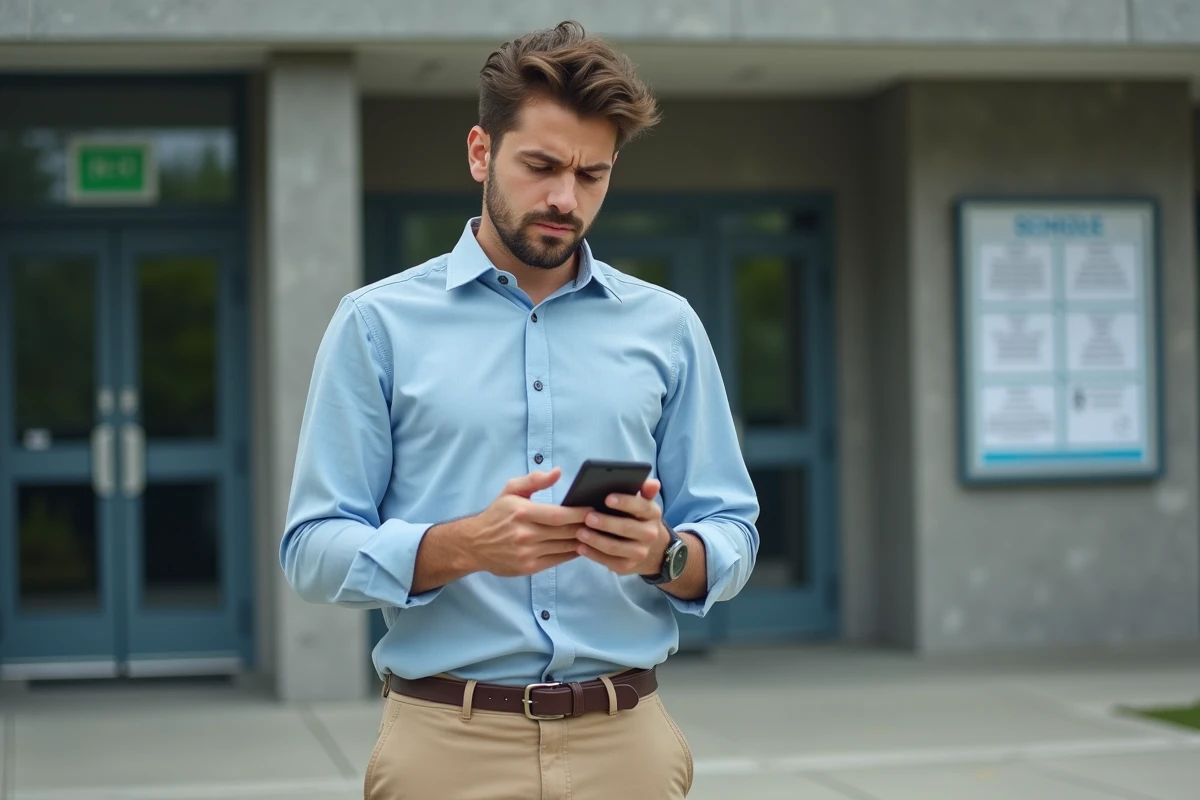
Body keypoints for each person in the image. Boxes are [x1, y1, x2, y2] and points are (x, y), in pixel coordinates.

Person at [281, 20, 760, 799]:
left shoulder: (666, 327)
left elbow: (732, 528)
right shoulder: (375, 325)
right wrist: (463, 545)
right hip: (444, 747)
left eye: (592, 175)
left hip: (626, 746)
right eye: (540, 166)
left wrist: (662, 555)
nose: (565, 199)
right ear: (481, 152)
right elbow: (312, 550)